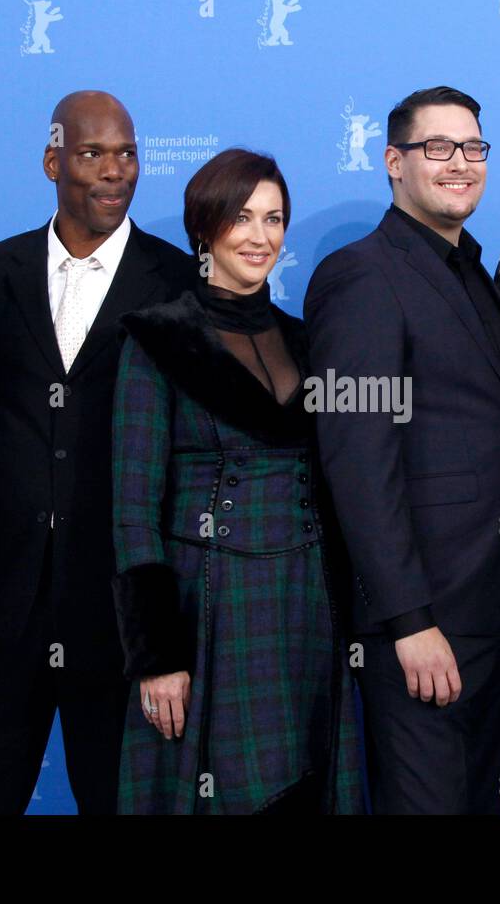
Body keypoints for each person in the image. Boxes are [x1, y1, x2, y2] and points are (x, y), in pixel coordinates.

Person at [0, 91, 193, 814]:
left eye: (128, 154)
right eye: (92, 154)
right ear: (53, 161)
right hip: (3, 598)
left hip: (120, 610)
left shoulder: (177, 283)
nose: (115, 171)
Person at [111, 148, 364, 814]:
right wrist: (156, 655)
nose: (261, 236)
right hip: (208, 607)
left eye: (275, 219)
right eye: (243, 217)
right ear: (206, 228)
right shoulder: (157, 339)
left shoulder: (308, 340)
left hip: (306, 600)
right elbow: (133, 510)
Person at [305, 87, 500, 814]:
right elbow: (358, 464)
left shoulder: (483, 275)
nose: (459, 163)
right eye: (437, 148)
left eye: (472, 148)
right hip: (424, 622)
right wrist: (407, 621)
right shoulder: (362, 275)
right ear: (394, 163)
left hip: (497, 617)